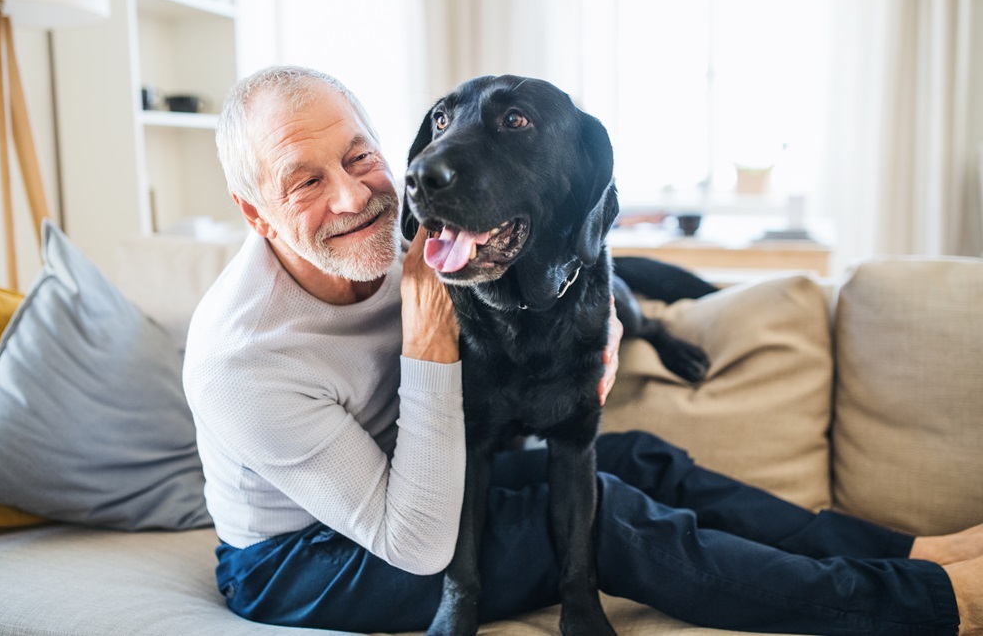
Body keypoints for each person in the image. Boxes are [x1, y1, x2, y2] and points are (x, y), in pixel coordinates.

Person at [183, 64, 983, 635]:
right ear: (257, 215)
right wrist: (431, 342)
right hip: (314, 555)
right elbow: (416, 540)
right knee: (612, 523)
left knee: (636, 459)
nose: (354, 197)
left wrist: (596, 319)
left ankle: (910, 545)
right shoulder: (241, 360)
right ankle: (931, 601)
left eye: (360, 156)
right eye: (304, 182)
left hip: (423, 475)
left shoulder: (415, 230)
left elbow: (556, 254)